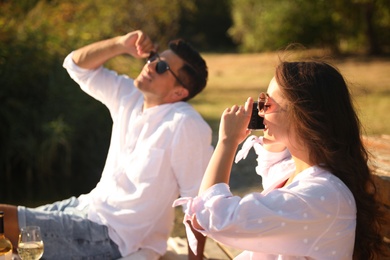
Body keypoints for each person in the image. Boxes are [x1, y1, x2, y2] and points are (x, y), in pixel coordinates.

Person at [0, 30, 213, 259]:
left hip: (113, 237)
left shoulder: (185, 124)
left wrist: (195, 259)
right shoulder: (129, 95)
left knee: (3, 221)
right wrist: (120, 44)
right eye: (153, 59)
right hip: (87, 208)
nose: (150, 66)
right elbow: (75, 65)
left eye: (162, 68)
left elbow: (197, 204)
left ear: (178, 92)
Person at [174, 59, 388, 259]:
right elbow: (272, 165)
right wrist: (272, 127)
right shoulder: (300, 173)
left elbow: (214, 215)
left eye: (267, 104)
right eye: (261, 101)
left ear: (303, 116)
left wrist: (227, 142)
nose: (259, 110)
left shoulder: (321, 195)